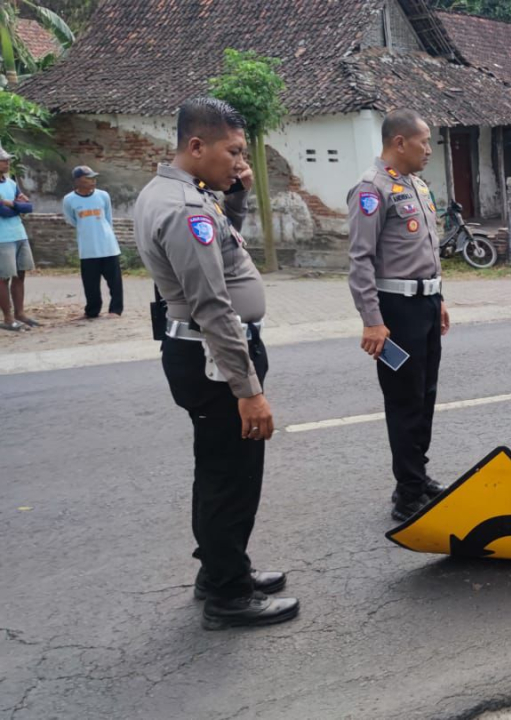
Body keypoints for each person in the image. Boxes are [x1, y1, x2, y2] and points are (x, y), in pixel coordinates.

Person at [133, 97, 298, 630]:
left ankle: (222, 570)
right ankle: (228, 596)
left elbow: (225, 251)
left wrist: (238, 197)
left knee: (218, 470)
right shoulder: (187, 211)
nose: (239, 161)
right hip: (215, 359)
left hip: (201, 355)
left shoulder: (182, 195)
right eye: (233, 151)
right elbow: (212, 305)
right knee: (232, 476)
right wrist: (247, 387)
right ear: (196, 146)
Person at [347, 109, 450, 522]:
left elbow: (424, 252)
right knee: (404, 400)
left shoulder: (417, 186)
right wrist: (372, 319)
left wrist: (438, 297)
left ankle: (416, 475)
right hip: (396, 311)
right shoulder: (371, 190)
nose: (429, 148)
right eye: (423, 141)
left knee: (425, 395)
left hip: (424, 304)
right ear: (399, 142)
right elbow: (360, 259)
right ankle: (407, 494)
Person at [62, 166, 125, 319]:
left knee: (114, 282)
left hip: (108, 246)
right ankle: (92, 311)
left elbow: (108, 218)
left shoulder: (103, 196)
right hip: (88, 248)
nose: (93, 181)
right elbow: (71, 220)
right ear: (78, 181)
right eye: (88, 178)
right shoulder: (69, 199)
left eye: (93, 178)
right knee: (90, 284)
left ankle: (115, 310)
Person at [0, 148, 38, 332]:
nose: (7, 163)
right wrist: (17, 205)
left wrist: (11, 203)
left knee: (20, 274)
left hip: (19, 233)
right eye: (3, 160)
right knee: (3, 277)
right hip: (2, 237)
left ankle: (20, 313)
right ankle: (7, 318)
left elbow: (29, 207)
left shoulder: (11, 183)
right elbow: (4, 212)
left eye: (7, 160)